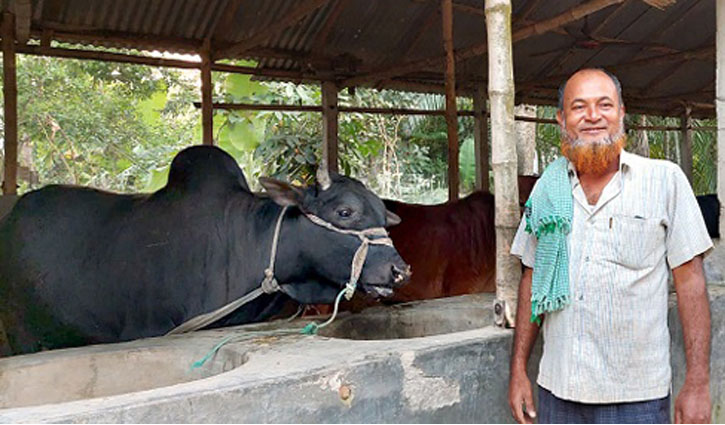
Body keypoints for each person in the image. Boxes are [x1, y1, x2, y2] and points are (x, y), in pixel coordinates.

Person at [508, 68, 712, 424]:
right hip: (558, 392)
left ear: (621, 113)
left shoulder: (664, 181)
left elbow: (691, 282)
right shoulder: (547, 190)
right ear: (561, 119)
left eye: (605, 105)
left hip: (637, 398)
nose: (592, 116)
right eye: (578, 107)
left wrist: (697, 383)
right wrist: (519, 370)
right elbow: (532, 280)